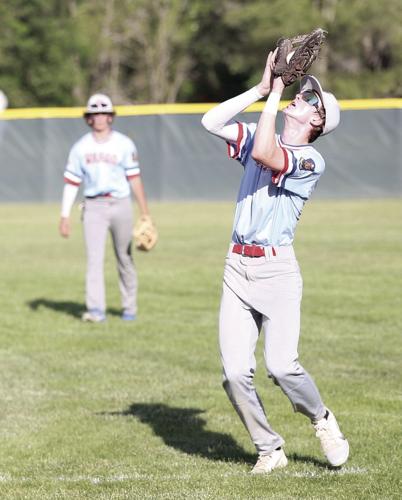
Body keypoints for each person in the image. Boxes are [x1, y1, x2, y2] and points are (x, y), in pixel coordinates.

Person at [201, 51, 349, 474]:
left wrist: (276, 94)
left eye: (309, 99)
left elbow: (266, 152)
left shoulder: (309, 160)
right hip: (237, 267)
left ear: (316, 122)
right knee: (233, 374)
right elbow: (210, 122)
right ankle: (270, 448)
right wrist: (261, 89)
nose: (301, 96)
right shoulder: (262, 127)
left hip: (276, 271)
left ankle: (321, 419)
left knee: (282, 366)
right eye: (302, 92)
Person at [59, 93, 151, 323]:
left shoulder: (123, 144)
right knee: (94, 259)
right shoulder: (80, 147)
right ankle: (96, 310)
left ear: (111, 117)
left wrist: (145, 212)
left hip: (120, 204)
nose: (99, 117)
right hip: (93, 206)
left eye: (103, 112)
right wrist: (64, 215)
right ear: (88, 118)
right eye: (94, 113)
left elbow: (135, 178)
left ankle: (129, 308)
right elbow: (71, 182)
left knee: (125, 257)